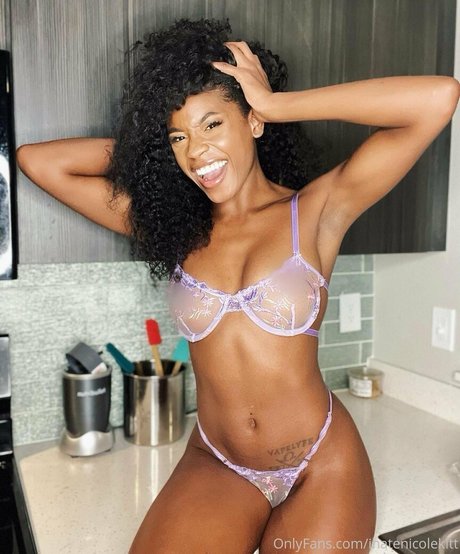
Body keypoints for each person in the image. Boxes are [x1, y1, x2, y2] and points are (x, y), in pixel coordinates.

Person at [17, 18, 459, 554]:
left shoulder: (315, 209)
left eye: (212, 124)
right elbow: (39, 162)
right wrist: (152, 152)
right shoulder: (175, 228)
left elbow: (437, 98)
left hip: (320, 462)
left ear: (251, 122)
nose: (196, 151)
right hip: (218, 461)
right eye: (179, 136)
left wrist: (275, 104)